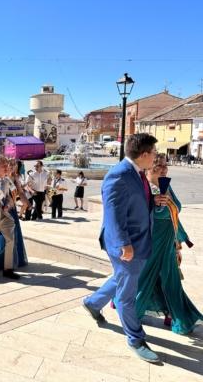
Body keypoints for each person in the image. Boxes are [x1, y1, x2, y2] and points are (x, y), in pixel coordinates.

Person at [82, 133, 168, 363]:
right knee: (127, 294)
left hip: (139, 242)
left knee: (122, 279)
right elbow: (112, 214)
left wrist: (155, 202)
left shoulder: (138, 174)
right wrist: (124, 244)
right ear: (144, 154)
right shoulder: (118, 175)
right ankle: (135, 339)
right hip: (126, 245)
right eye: (154, 155)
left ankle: (92, 303)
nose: (156, 161)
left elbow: (137, 205)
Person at [136, 155, 203, 334]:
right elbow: (134, 214)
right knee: (146, 276)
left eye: (166, 166)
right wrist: (152, 204)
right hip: (152, 240)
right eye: (159, 165)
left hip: (167, 239)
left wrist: (178, 237)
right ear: (149, 166)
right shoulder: (143, 188)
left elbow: (175, 212)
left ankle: (176, 315)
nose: (165, 169)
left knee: (171, 277)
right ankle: (125, 305)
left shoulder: (167, 185)